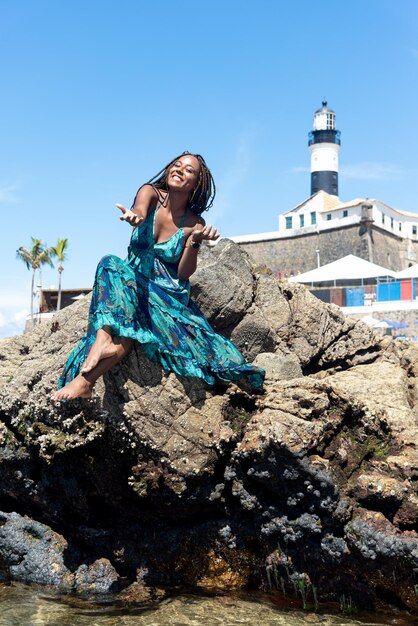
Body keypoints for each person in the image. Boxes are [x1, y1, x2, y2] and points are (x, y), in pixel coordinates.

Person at [52, 152, 264, 401]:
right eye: (176, 165)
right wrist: (135, 217)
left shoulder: (196, 222)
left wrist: (195, 241)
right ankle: (96, 357)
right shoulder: (150, 192)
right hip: (134, 284)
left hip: (167, 295)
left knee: (133, 330)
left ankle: (88, 373)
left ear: (196, 184)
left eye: (188, 170)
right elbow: (140, 212)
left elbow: (184, 273)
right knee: (110, 266)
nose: (179, 170)